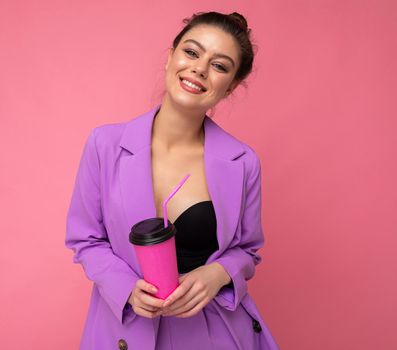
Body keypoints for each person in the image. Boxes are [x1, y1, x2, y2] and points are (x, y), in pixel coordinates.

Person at [65, 11, 280, 350]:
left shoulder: (243, 163)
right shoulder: (104, 145)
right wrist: (125, 288)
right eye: (192, 52)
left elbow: (247, 250)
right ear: (170, 57)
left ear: (231, 87)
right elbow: (85, 238)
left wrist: (218, 274)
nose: (199, 68)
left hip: (214, 333)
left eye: (220, 66)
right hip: (126, 330)